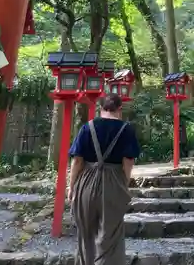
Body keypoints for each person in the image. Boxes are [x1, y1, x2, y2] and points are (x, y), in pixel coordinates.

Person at [68, 93, 140, 265]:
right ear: (119, 109)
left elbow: (77, 160)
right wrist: (125, 182)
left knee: (85, 234)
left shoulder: (88, 127)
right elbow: (128, 162)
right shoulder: (126, 129)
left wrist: (72, 187)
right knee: (111, 237)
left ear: (101, 108)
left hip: (86, 181)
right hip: (114, 181)